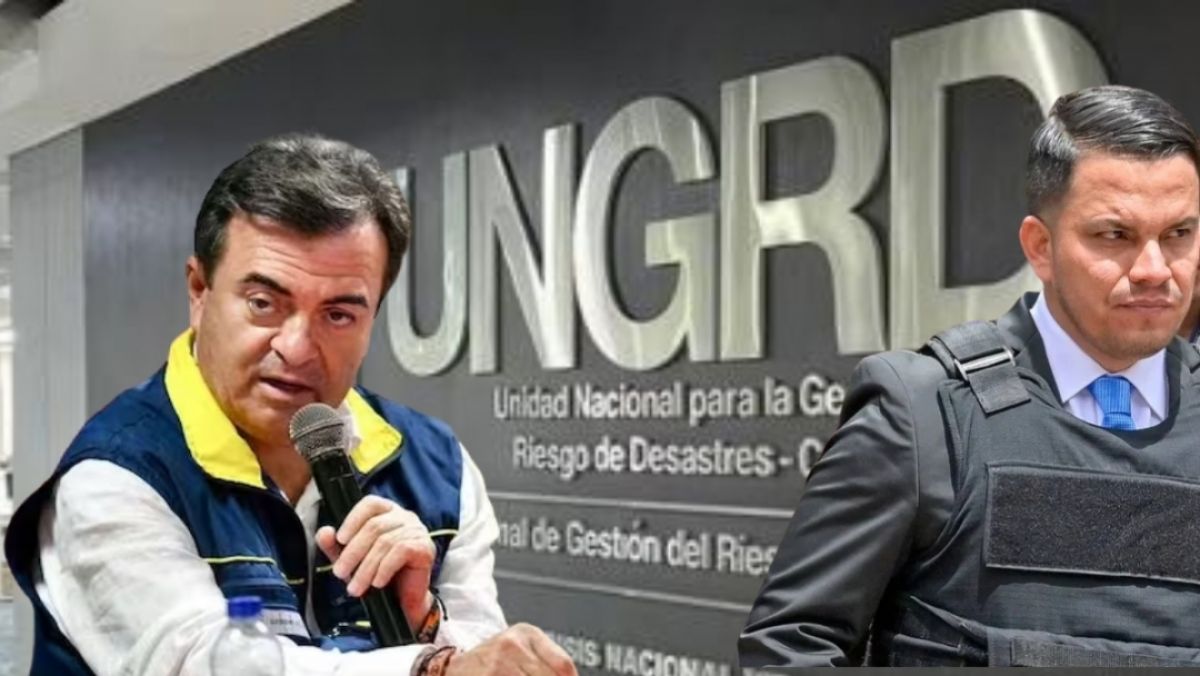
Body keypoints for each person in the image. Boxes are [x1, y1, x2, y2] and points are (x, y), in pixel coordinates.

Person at [4, 135, 577, 676]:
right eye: (263, 303)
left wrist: (425, 623)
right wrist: (425, 668)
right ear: (199, 291)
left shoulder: (439, 469)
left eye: (339, 314)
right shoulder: (116, 477)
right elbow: (201, 662)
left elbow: (476, 650)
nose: (298, 348)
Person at [739, 85, 1200, 667]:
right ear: (1040, 247)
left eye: (1179, 234)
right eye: (1115, 235)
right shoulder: (926, 412)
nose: (1155, 269)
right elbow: (789, 647)